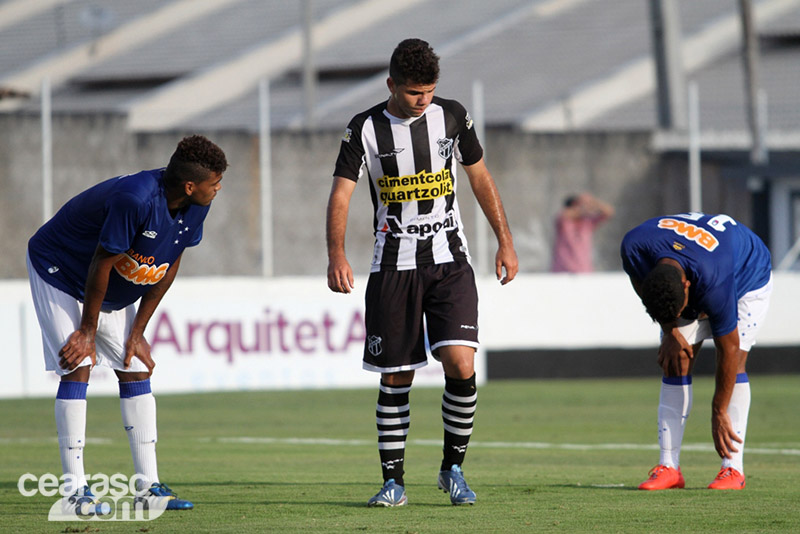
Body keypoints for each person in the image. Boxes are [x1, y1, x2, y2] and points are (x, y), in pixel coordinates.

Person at [326, 38, 518, 507]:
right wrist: (336, 253)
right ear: (392, 84)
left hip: (450, 261)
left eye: (430, 91)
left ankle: (453, 470)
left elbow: (479, 177)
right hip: (394, 266)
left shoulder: (451, 116)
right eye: (415, 92)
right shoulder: (364, 129)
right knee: (396, 376)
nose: (424, 100)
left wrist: (505, 241)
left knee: (461, 362)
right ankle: (393, 482)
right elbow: (341, 195)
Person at [26, 135, 228, 513]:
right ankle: (74, 493)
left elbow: (169, 262)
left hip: (107, 283)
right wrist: (86, 331)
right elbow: (101, 261)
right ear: (189, 185)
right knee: (78, 365)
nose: (218, 189)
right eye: (214, 183)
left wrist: (138, 333)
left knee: (134, 366)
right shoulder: (135, 199)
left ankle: (147, 489)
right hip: (58, 268)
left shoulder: (197, 204)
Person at [620, 212, 772, 490]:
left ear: (688, 286)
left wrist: (718, 411)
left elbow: (728, 349)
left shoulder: (715, 283)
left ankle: (732, 470)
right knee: (675, 359)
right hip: (698, 257)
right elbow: (642, 287)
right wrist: (669, 330)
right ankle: (669, 466)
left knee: (735, 363)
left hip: (746, 275)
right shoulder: (634, 247)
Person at [551, 192, 614, 273]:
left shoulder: (587, 223)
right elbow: (564, 214)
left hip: (583, 270)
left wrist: (594, 202)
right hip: (562, 271)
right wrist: (583, 208)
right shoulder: (564, 222)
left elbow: (609, 212)